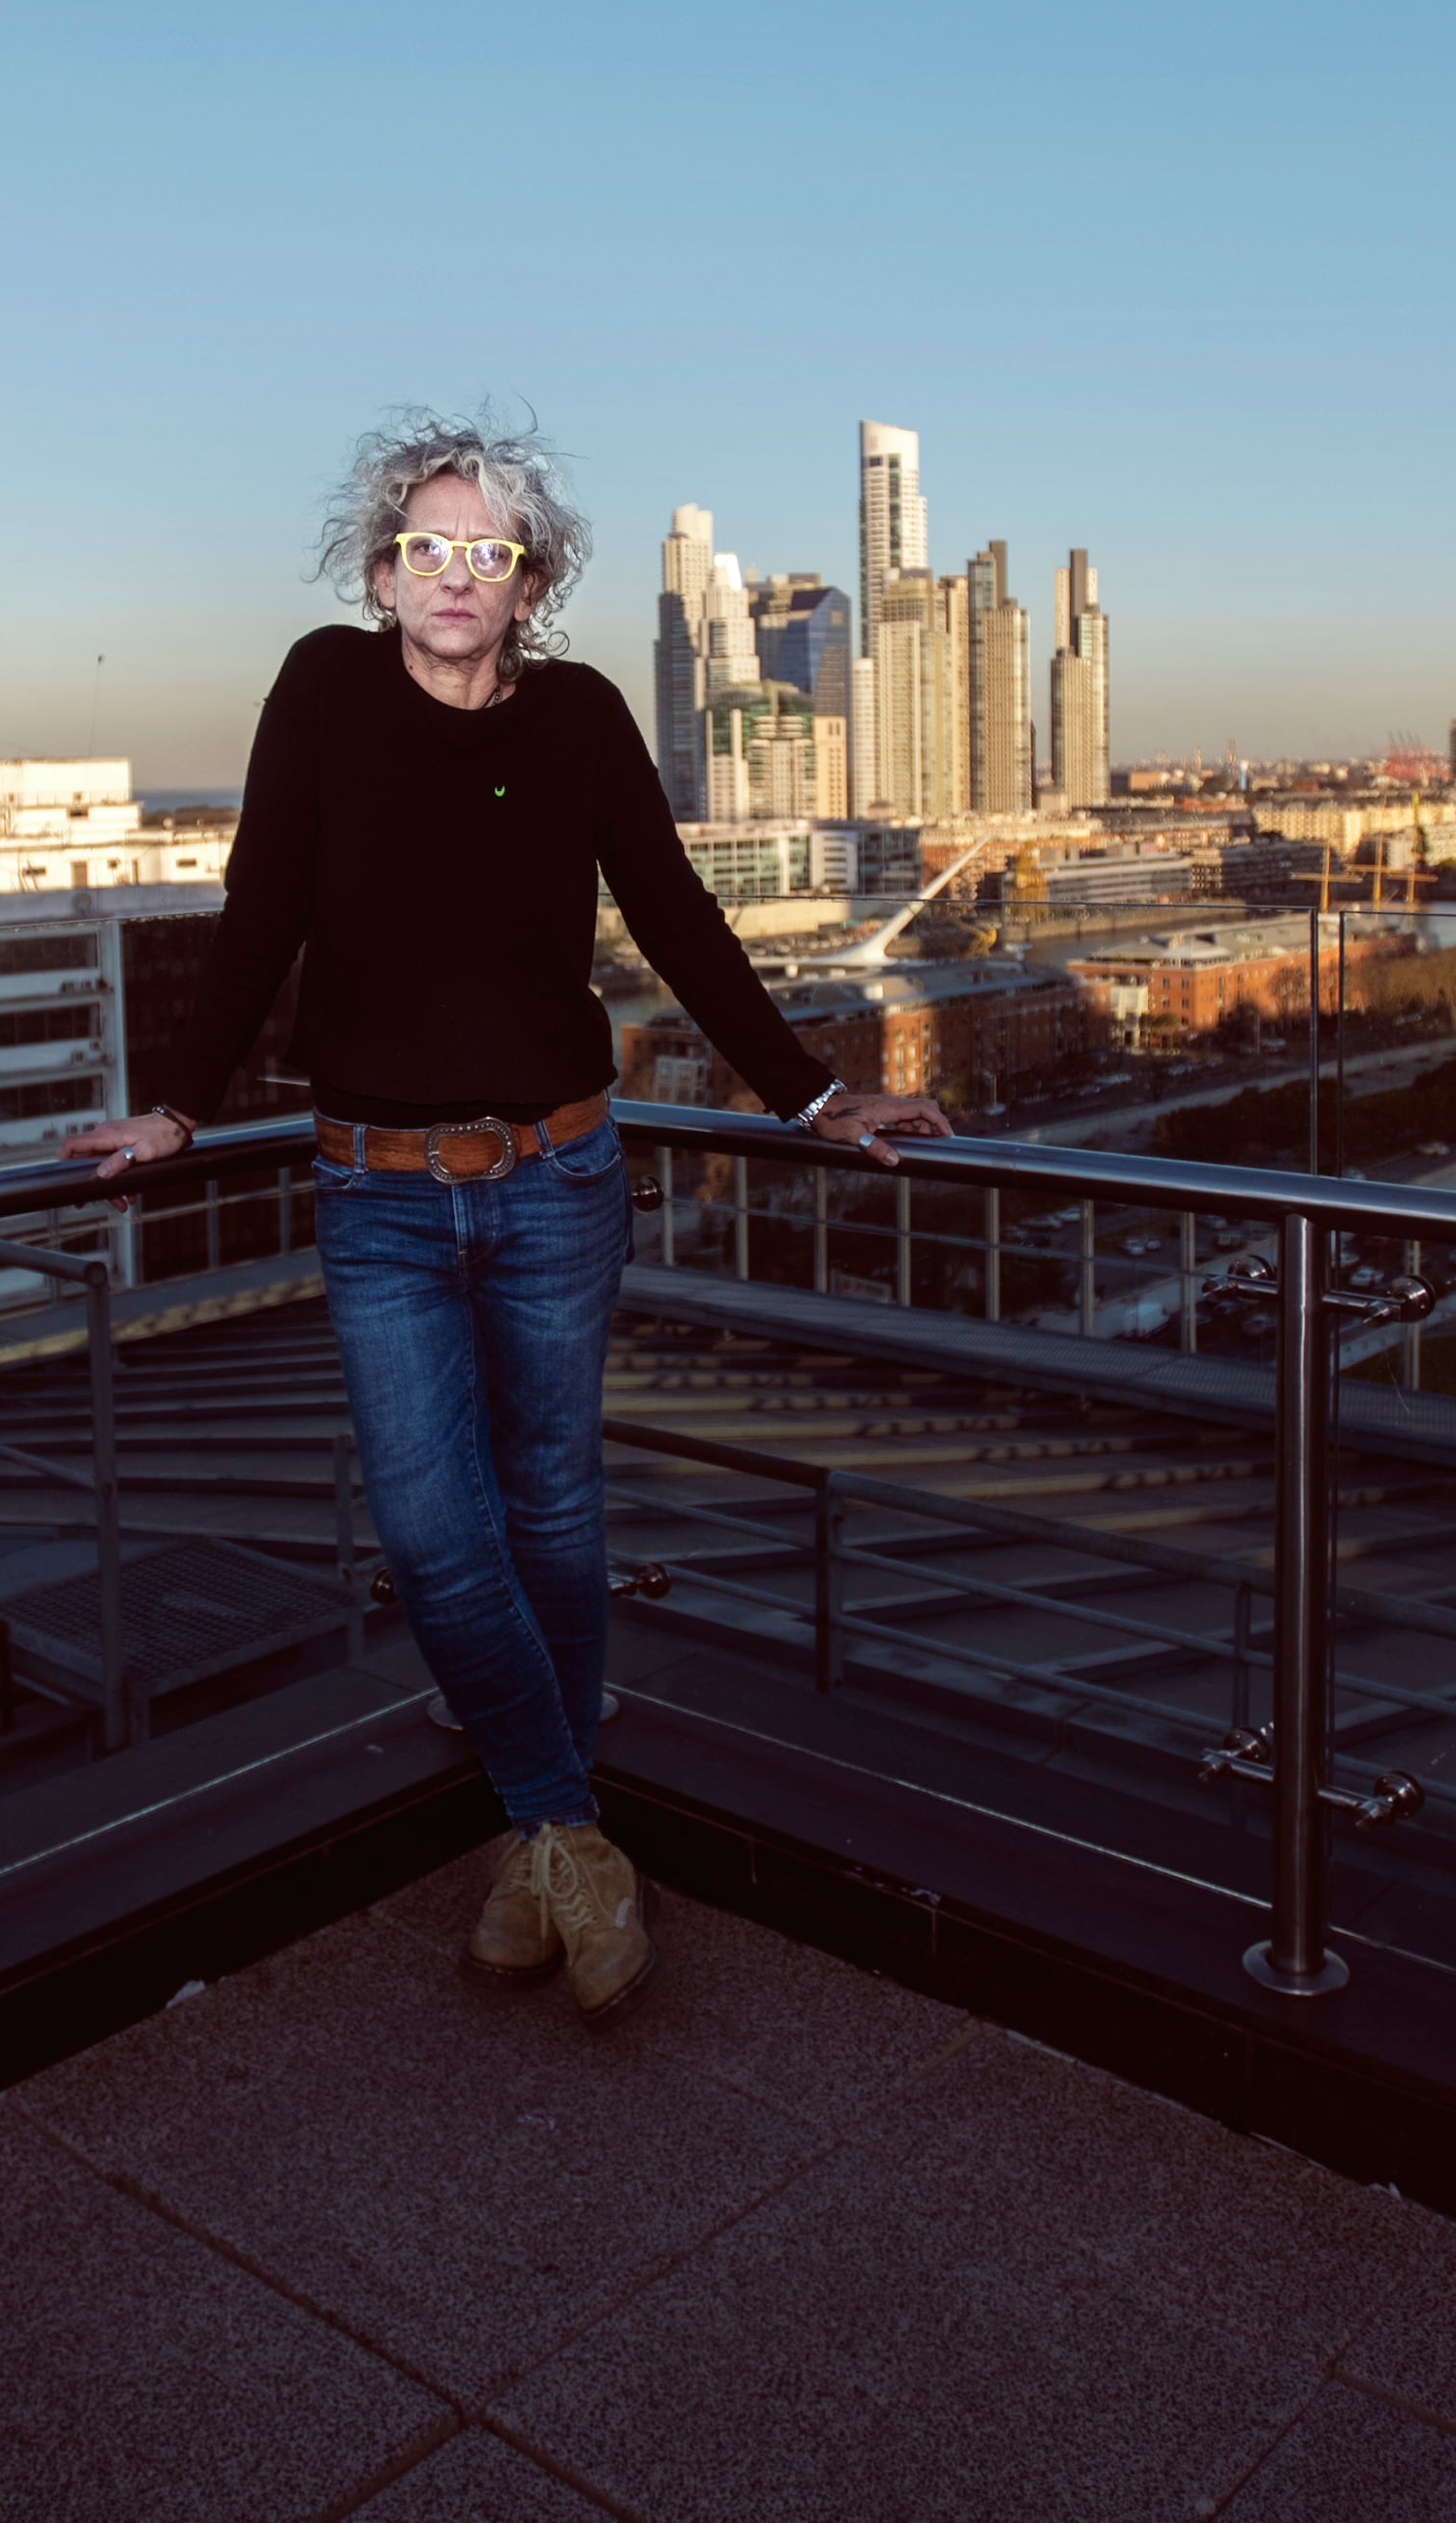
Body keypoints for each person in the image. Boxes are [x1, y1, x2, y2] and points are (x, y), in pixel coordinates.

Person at [64, 410, 950, 2025]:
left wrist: (812, 1098)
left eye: (487, 550)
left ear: (530, 580)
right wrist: (178, 1107)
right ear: (380, 566)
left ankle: (544, 1844)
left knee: (551, 1505)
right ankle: (565, 1822)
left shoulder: (586, 718)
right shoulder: (322, 690)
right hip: (375, 1191)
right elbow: (258, 907)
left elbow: (675, 914)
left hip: (558, 1178)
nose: (452, 574)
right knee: (427, 1528)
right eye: (425, 546)